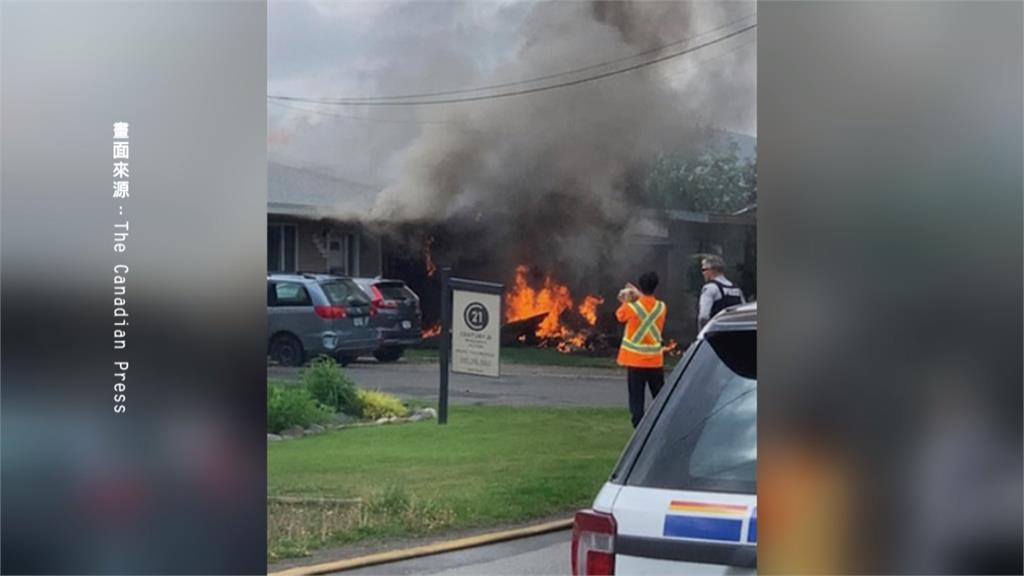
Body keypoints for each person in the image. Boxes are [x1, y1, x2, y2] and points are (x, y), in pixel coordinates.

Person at [616, 271, 667, 428]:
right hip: (655, 362)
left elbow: (619, 316)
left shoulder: (631, 308)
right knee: (660, 397)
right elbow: (647, 304)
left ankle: (639, 428)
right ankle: (663, 424)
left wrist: (628, 298)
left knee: (637, 398)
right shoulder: (661, 307)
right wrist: (638, 294)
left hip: (635, 361)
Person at [698, 255, 745, 331]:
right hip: (736, 332)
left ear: (712, 270)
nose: (703, 273)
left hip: (718, 333)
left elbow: (703, 316)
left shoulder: (710, 288)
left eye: (704, 270)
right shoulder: (736, 289)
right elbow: (743, 313)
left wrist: (702, 335)